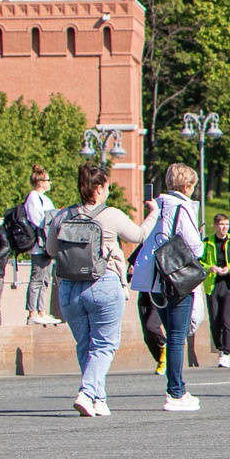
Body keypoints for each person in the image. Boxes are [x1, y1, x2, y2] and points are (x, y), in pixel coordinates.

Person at [54, 161, 147, 416]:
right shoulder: (111, 214)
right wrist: (154, 215)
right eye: (106, 187)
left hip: (69, 288)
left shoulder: (62, 215)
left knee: (85, 344)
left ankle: (98, 398)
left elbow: (52, 250)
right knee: (104, 344)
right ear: (97, 189)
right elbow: (138, 235)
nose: (107, 191)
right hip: (103, 282)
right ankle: (86, 391)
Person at [127, 162, 207, 411]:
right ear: (186, 186)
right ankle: (175, 391)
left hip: (151, 279)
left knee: (171, 333)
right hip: (174, 277)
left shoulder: (157, 206)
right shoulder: (182, 207)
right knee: (176, 336)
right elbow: (195, 245)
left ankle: (177, 388)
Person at [14, 164, 60, 325]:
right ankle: (32, 312)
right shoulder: (33, 197)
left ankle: (41, 311)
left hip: (48, 244)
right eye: (48, 180)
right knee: (37, 278)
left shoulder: (45, 199)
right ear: (40, 182)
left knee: (45, 278)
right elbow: (39, 220)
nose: (50, 183)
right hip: (39, 245)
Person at [202, 212, 230, 365]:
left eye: (226, 225)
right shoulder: (207, 242)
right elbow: (199, 262)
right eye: (221, 225)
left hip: (229, 283)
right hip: (213, 284)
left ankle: (226, 352)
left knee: (227, 319)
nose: (224, 228)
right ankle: (220, 348)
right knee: (214, 319)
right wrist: (210, 268)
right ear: (215, 226)